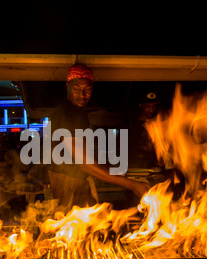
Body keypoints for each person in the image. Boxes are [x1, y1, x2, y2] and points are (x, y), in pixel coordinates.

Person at [47, 64, 150, 210]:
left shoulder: (79, 113)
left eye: (87, 90)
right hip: (68, 186)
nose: (82, 95)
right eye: (76, 89)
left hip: (79, 183)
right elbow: (85, 164)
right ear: (67, 86)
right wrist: (132, 185)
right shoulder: (66, 114)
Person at [128, 91, 164, 169]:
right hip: (135, 166)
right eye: (148, 106)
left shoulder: (158, 124)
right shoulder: (131, 124)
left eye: (154, 106)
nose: (151, 110)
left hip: (154, 168)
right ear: (140, 106)